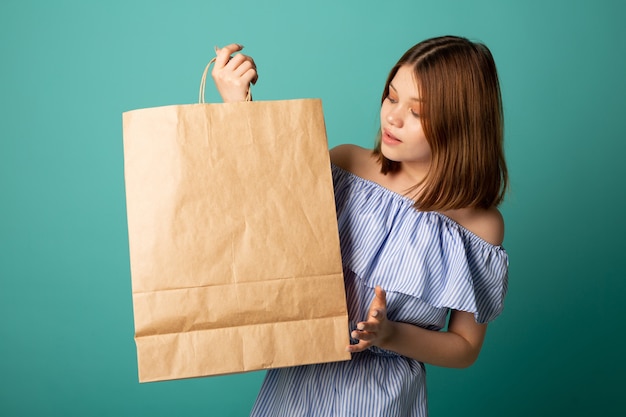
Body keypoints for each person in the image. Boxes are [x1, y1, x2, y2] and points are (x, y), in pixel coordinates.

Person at [212, 36, 509, 417]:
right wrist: (239, 106)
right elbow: (272, 212)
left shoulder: (480, 227)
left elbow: (465, 346)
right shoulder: (346, 165)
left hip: (384, 400)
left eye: (418, 112)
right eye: (391, 96)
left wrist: (390, 334)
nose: (393, 117)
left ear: (462, 125)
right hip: (299, 380)